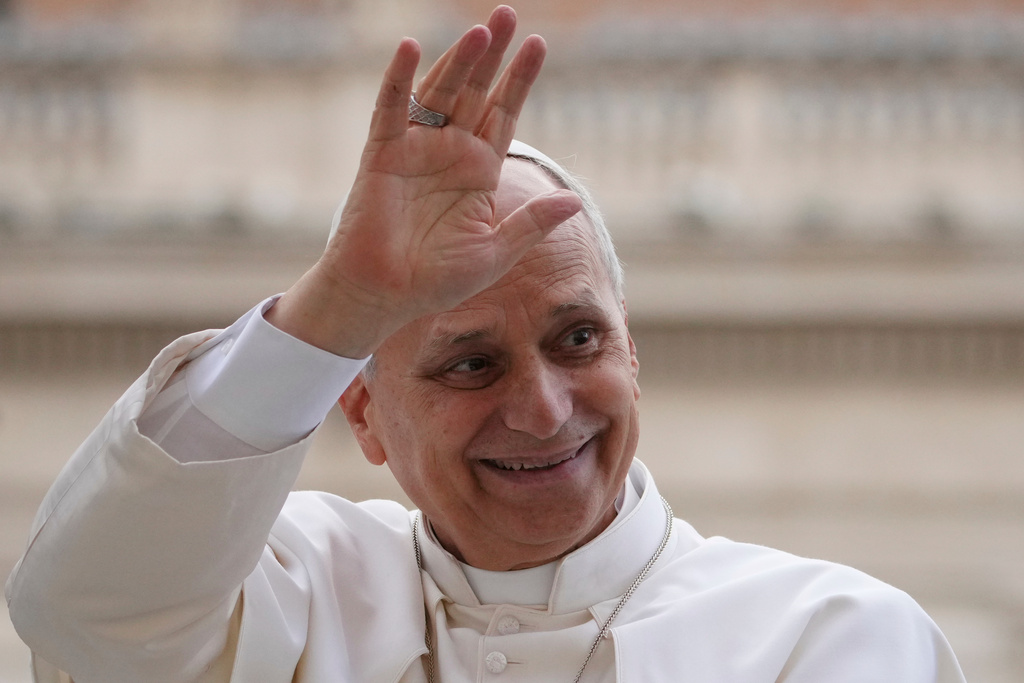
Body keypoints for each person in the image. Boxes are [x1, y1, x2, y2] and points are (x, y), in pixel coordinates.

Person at [6, 6, 965, 682]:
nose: (543, 409)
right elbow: (88, 611)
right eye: (471, 363)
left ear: (633, 355)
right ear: (363, 412)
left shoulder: (833, 639)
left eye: (578, 338)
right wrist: (344, 305)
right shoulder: (291, 590)